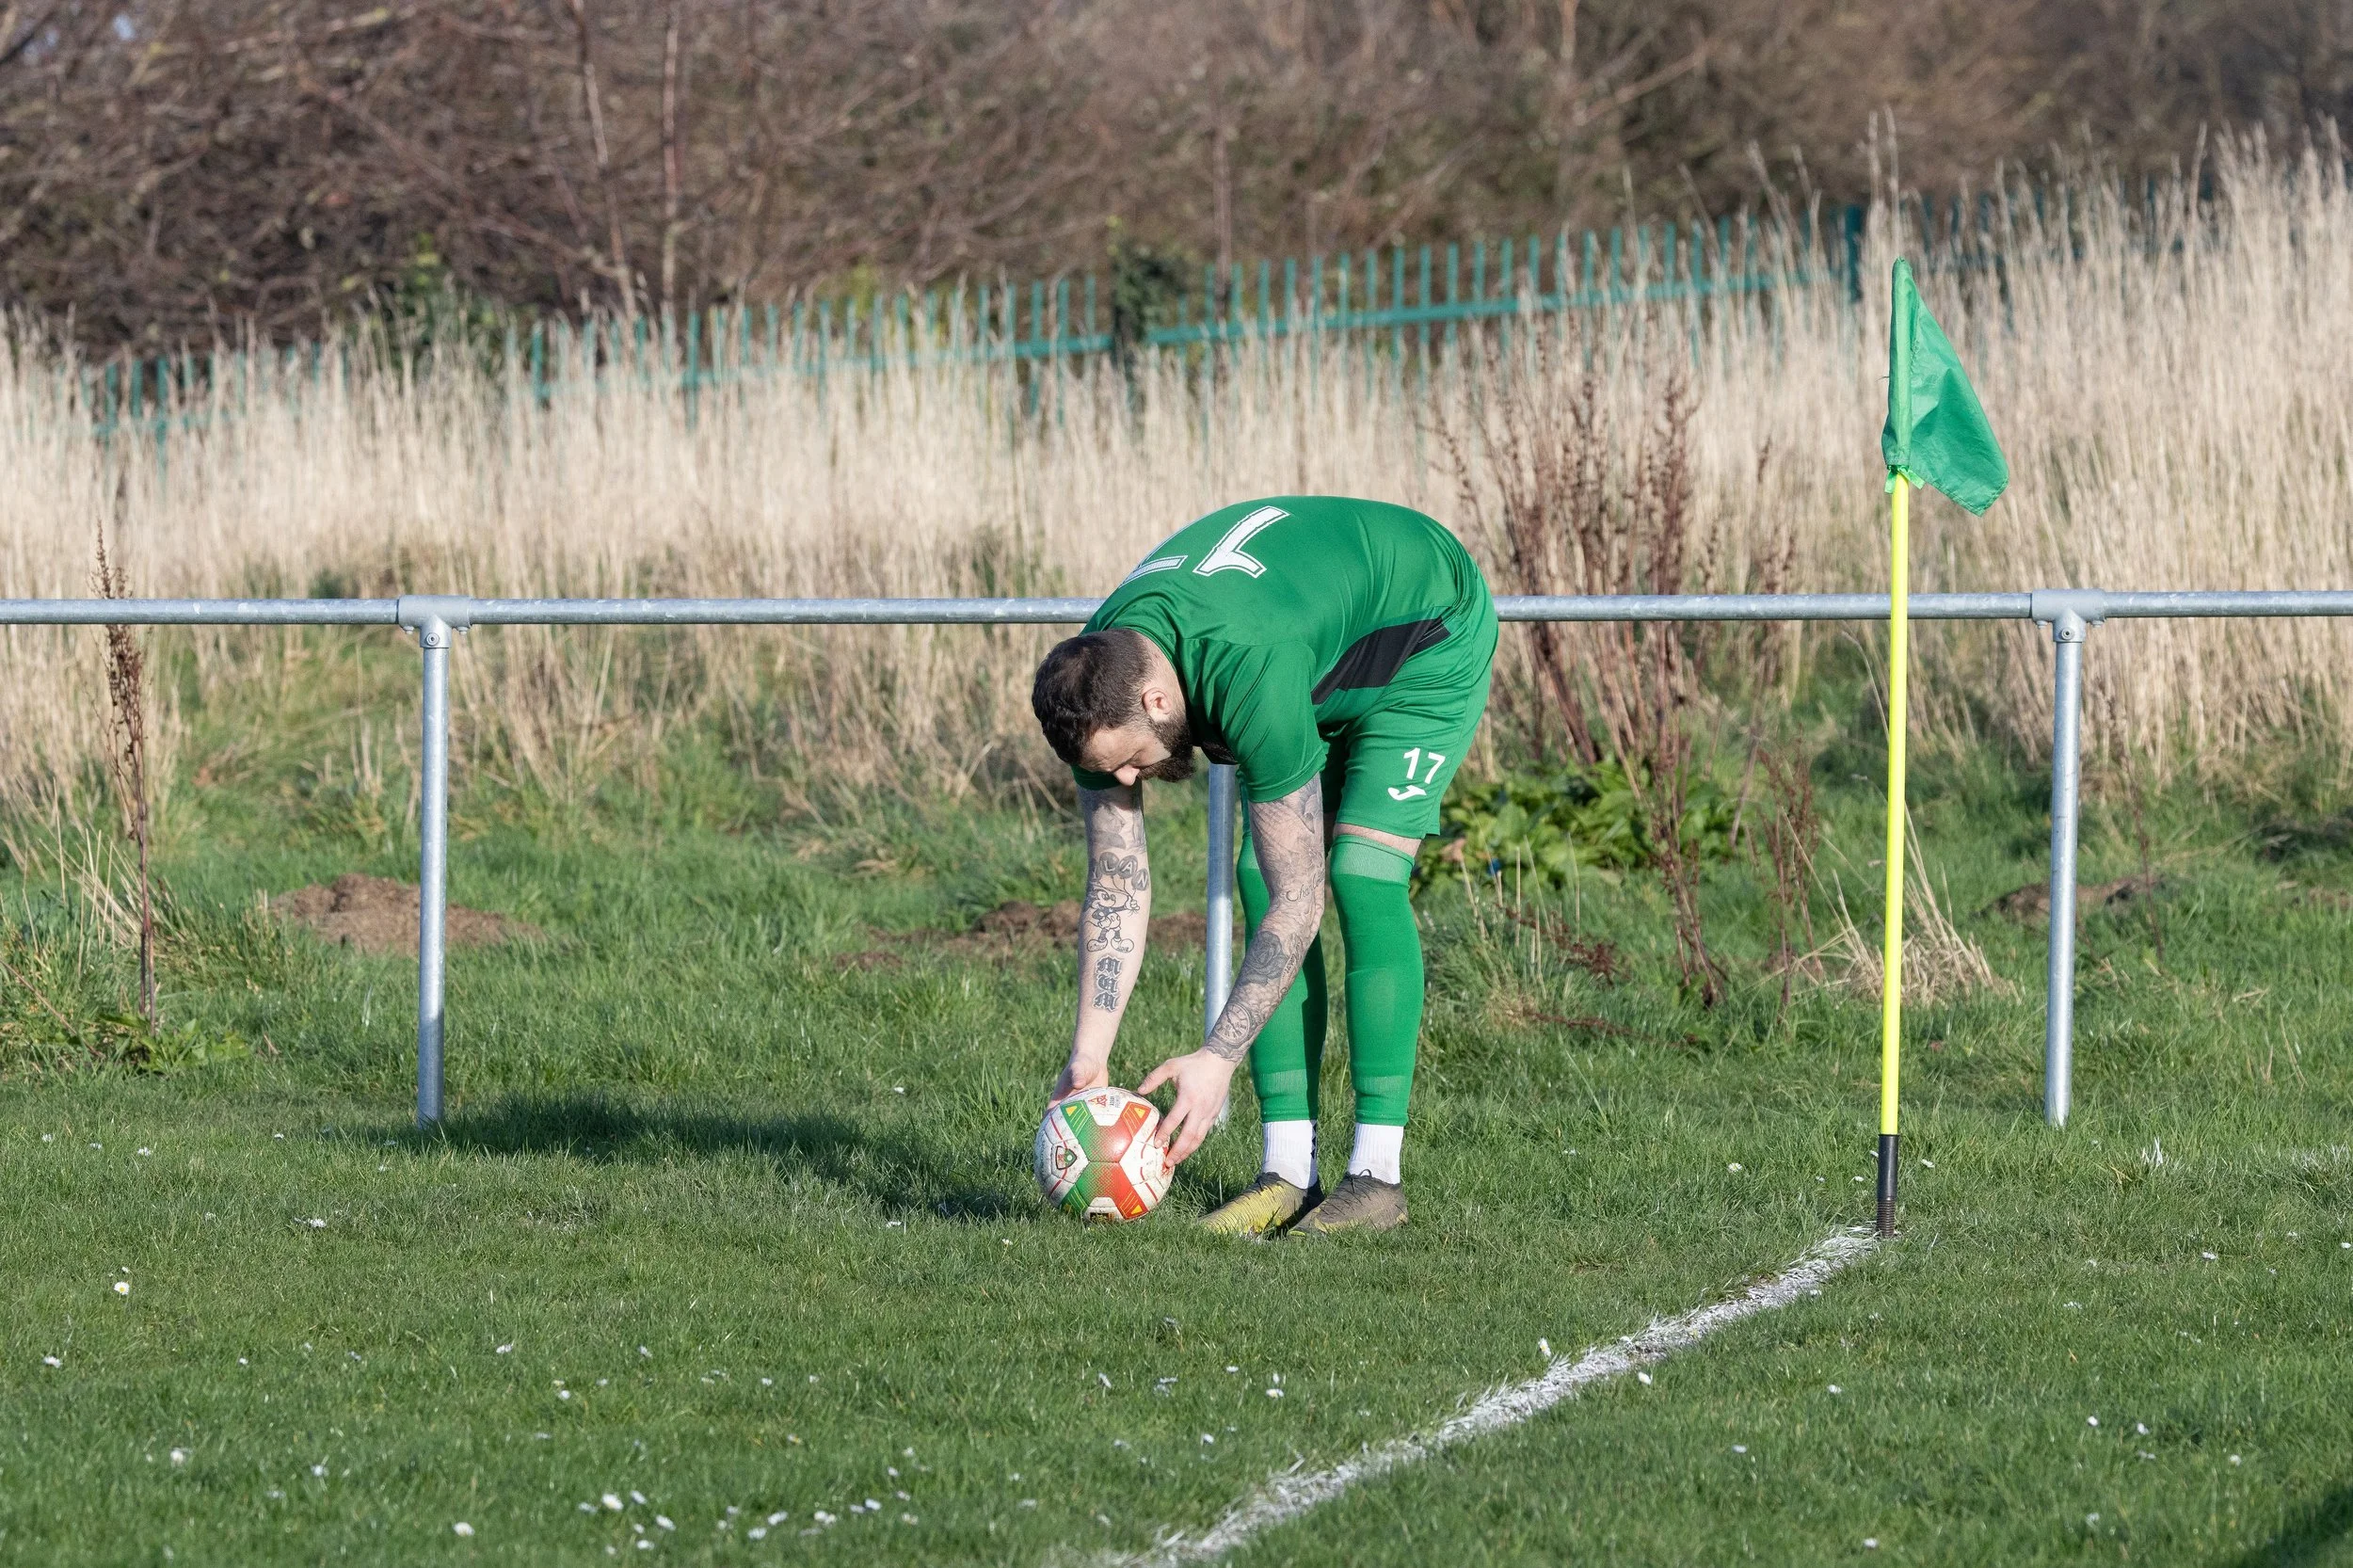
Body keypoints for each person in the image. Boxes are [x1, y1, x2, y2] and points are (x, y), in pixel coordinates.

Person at [1029, 496, 1497, 1235]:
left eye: (1128, 765)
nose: (1125, 783)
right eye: (1107, 772)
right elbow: (1117, 884)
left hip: (1424, 632)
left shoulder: (1243, 666)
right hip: (1315, 642)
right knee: (1257, 875)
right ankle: (1286, 1173)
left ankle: (1376, 1177)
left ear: (1157, 697)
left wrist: (1217, 1059)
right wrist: (1089, 1055)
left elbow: (1300, 899)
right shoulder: (1095, 686)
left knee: (1356, 876)